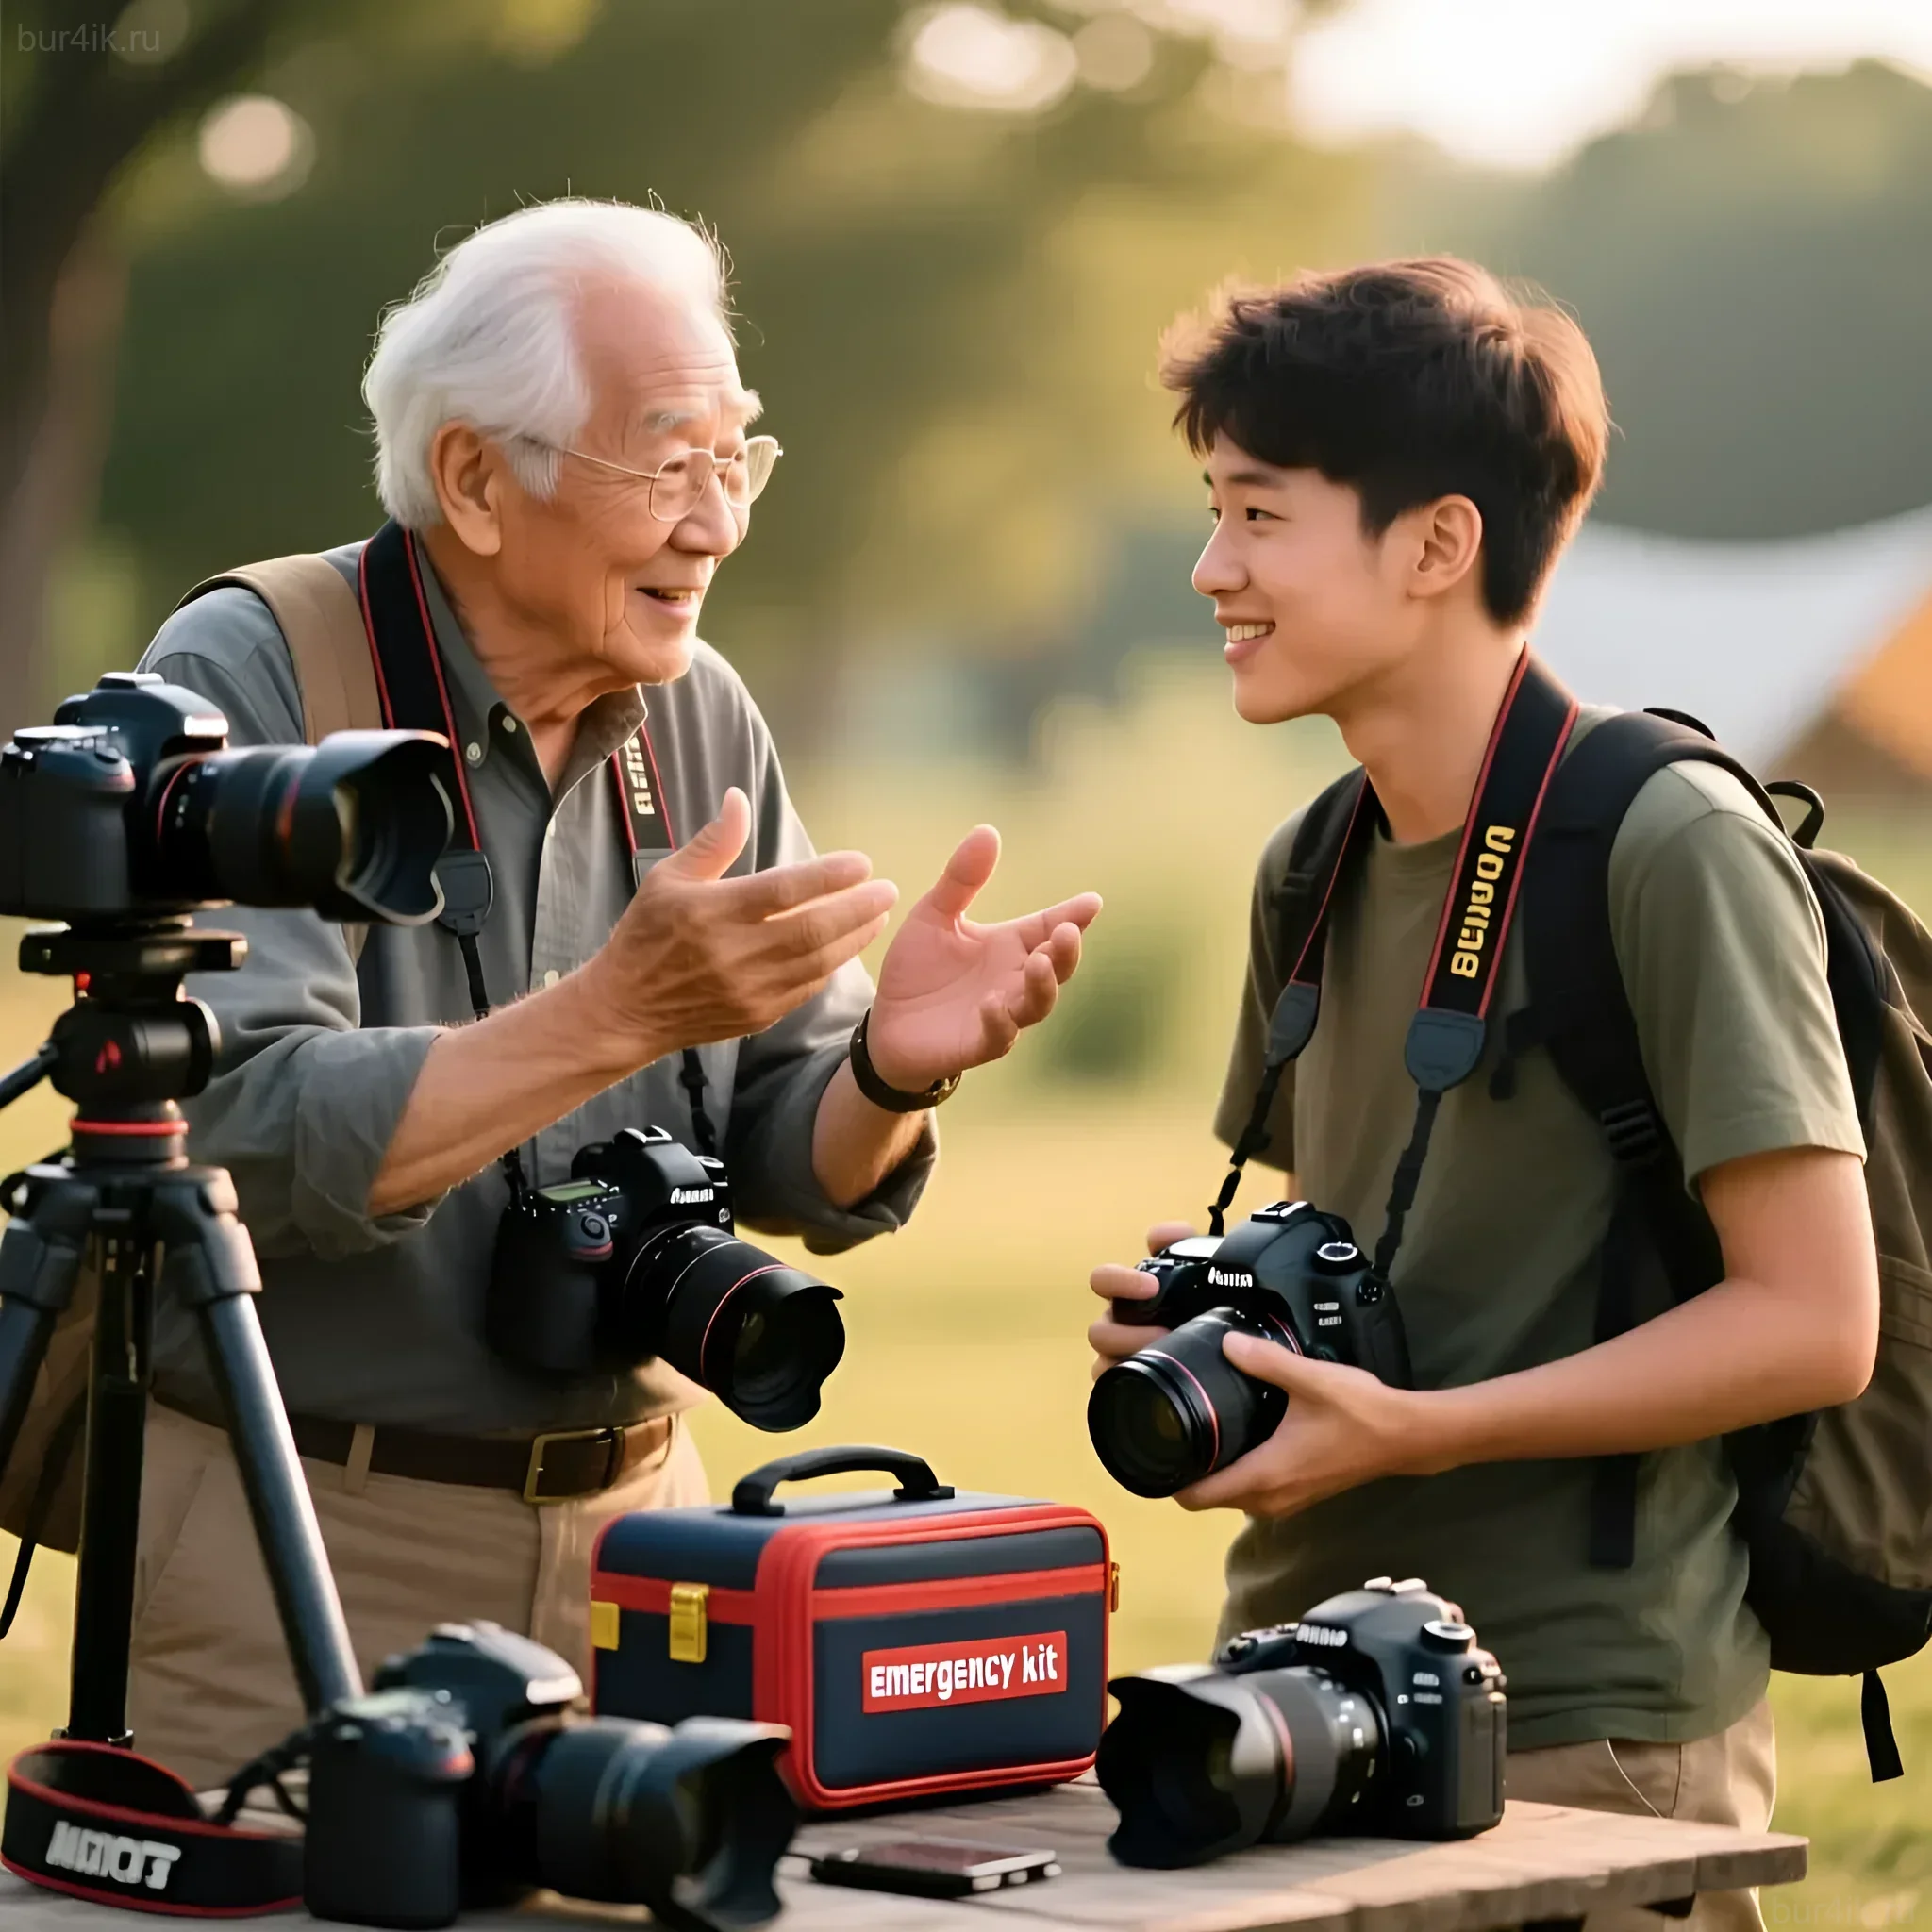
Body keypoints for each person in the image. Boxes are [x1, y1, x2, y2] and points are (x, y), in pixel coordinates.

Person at [129, 198, 1101, 1790]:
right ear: (472, 481)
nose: (714, 522)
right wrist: (619, 1012)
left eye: (738, 459)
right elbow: (245, 1131)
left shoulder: (694, 706)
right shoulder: (260, 673)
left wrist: (893, 1075)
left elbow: (795, 1158)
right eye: (668, 462)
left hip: (650, 1551)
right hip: (302, 1544)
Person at [1087, 258, 1877, 1930]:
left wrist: (1423, 1434)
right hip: (1294, 1687)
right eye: (1212, 510)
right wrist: (1215, 1317)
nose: (1211, 567)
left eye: (1257, 514)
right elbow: (1373, 1231)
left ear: (1438, 544)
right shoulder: (1314, 859)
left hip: (1579, 1721)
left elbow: (1816, 1321)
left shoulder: (1668, 847)